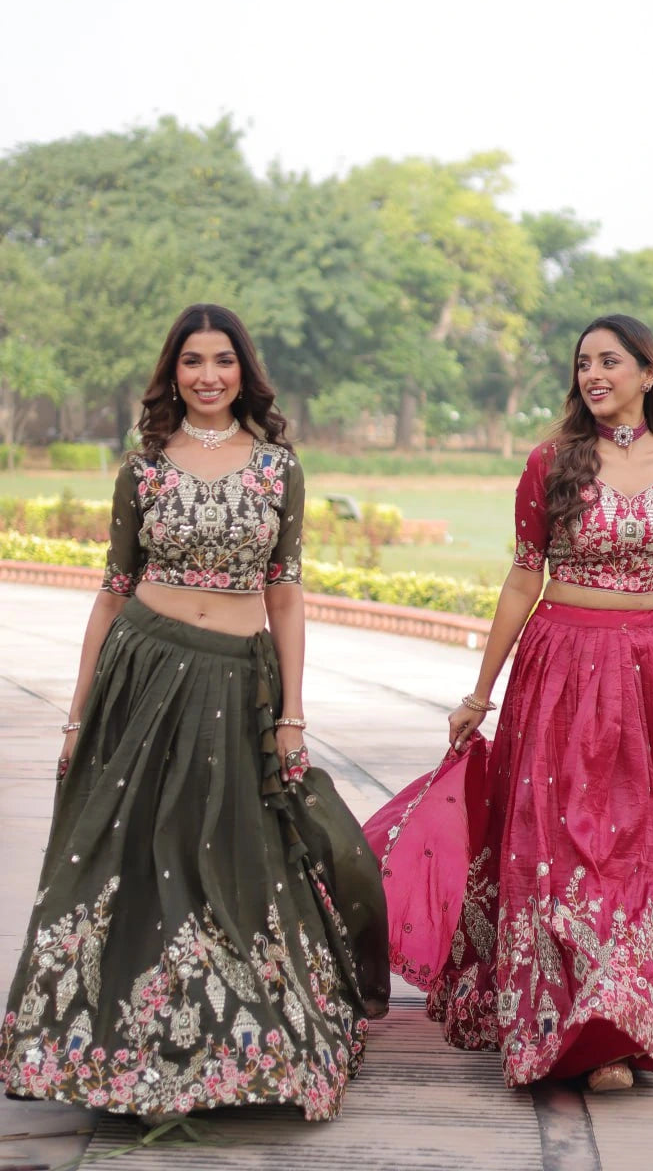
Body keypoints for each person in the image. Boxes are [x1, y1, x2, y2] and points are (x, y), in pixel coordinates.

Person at [364, 313, 653, 1093]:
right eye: (583, 363)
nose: (593, 375)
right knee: (553, 848)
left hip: (645, 674)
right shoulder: (550, 461)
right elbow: (522, 576)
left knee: (634, 849)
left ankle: (618, 1026)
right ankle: (561, 1021)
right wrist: (477, 695)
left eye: (610, 362)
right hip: (556, 668)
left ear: (648, 374)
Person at [1, 304, 389, 1122]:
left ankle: (240, 1047)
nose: (207, 376)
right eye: (191, 362)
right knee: (133, 858)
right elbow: (112, 590)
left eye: (222, 361)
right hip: (141, 675)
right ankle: (118, 1048)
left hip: (234, 685)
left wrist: (290, 712)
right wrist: (77, 717)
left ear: (244, 371)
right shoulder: (141, 468)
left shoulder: (279, 468)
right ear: (170, 374)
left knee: (235, 858)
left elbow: (284, 592)